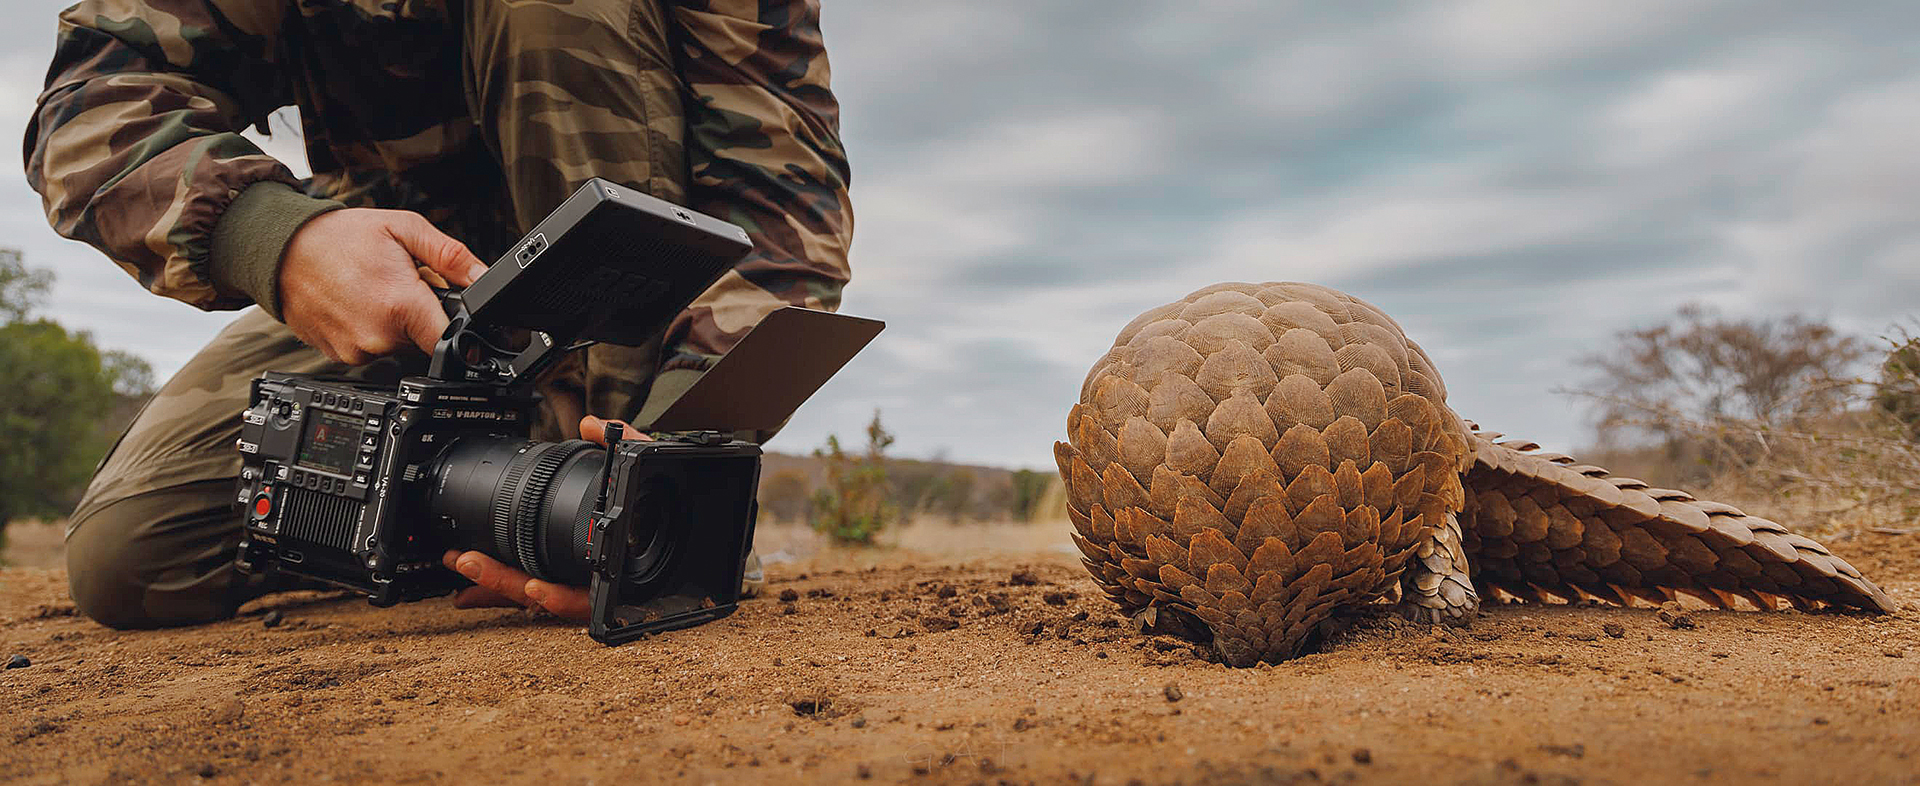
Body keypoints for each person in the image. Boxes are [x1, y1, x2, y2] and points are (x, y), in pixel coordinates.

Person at [24, 0, 853, 628]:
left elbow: (783, 201)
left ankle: (600, 462)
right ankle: (475, 501)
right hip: (402, 280)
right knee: (131, 553)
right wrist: (281, 240)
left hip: (628, 322)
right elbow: (92, 101)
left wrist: (670, 457)